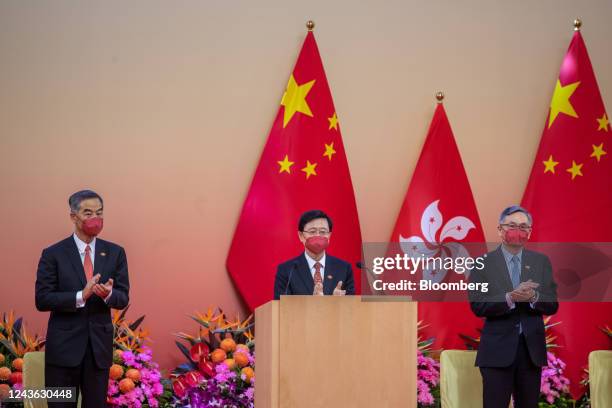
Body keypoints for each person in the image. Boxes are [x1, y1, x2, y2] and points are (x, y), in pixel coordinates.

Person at [35, 190, 130, 408]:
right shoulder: (53, 254)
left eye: (99, 212)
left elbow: (123, 297)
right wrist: (81, 296)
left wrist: (108, 295)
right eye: (88, 213)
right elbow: (42, 299)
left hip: (98, 351)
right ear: (73, 216)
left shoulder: (115, 252)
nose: (95, 218)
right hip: (63, 352)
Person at [469, 205, 558, 408]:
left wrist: (533, 296)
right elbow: (478, 305)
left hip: (530, 353)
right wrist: (510, 297)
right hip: (497, 352)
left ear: (530, 231)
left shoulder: (541, 262)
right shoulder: (482, 263)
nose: (518, 231)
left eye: (523, 226)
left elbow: (552, 303)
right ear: (500, 229)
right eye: (512, 225)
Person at [273, 209, 355, 299]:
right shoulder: (287, 270)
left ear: (329, 235)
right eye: (312, 232)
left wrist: (336, 302)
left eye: (323, 232)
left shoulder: (343, 269)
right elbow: (282, 307)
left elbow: (352, 307)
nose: (318, 236)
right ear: (301, 236)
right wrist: (312, 303)